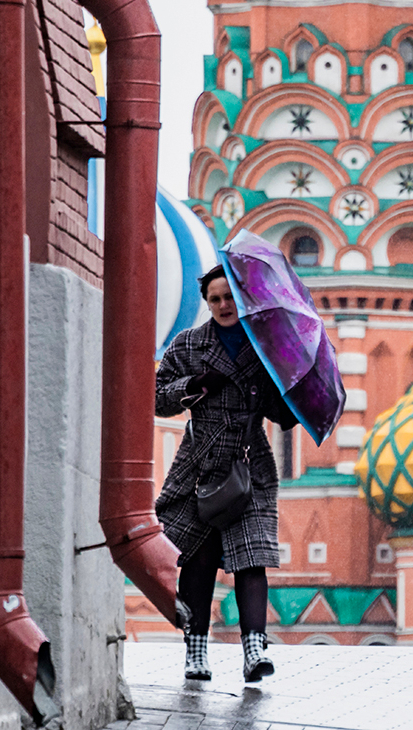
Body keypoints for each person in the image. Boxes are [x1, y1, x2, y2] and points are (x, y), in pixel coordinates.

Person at [155, 264, 299, 683]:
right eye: (215, 299)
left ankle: (254, 650)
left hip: (248, 465)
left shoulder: (266, 348)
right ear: (208, 303)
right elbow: (158, 398)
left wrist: (280, 400)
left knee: (252, 559)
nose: (223, 306)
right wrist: (195, 383)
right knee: (197, 561)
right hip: (199, 466)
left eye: (230, 298)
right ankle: (195, 653)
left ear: (243, 299)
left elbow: (281, 411)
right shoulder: (188, 345)